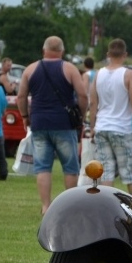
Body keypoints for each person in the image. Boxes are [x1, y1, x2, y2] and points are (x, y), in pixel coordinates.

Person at [17, 36, 88, 215]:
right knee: (70, 167)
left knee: (42, 167)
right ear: (62, 51)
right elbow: (82, 94)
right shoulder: (69, 68)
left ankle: (46, 206)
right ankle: (70, 206)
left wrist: (25, 116)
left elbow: (21, 96)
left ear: (44, 50)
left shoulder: (30, 69)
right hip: (64, 124)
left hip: (39, 123)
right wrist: (80, 114)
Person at [89, 38, 132, 191]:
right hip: (121, 128)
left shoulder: (99, 74)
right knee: (130, 171)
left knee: (106, 171)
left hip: (102, 127)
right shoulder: (128, 74)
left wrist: (93, 127)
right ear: (125, 54)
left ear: (108, 54)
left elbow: (93, 104)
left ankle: (107, 205)